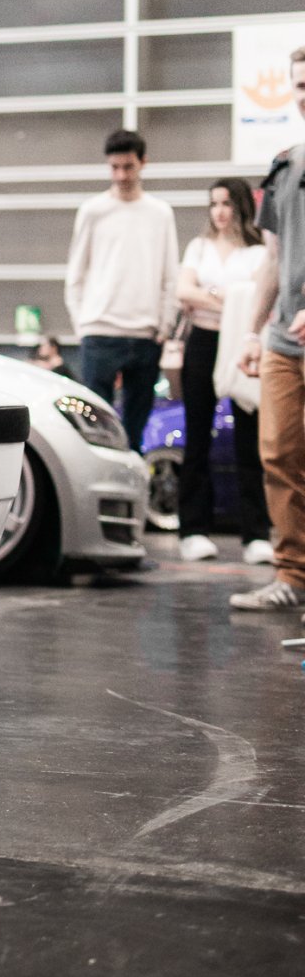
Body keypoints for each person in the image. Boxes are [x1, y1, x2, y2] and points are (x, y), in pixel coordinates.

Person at [231, 49, 305, 620]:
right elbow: (272, 259)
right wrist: (253, 332)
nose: (304, 95)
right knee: (278, 453)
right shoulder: (286, 165)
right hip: (285, 338)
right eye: (299, 85)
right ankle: (292, 576)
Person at [174, 178, 272, 564]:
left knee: (249, 439)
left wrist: (210, 296)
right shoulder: (199, 247)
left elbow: (260, 298)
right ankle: (193, 529)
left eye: (227, 203)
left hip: (241, 343)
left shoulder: (258, 252)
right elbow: (183, 291)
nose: (219, 211)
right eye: (214, 203)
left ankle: (256, 534)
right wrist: (232, 297)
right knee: (196, 436)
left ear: (242, 206)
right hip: (202, 341)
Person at [65, 128, 179, 452]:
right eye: (114, 167)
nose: (121, 175)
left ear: (143, 163)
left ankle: (134, 482)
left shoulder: (160, 213)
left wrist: (164, 325)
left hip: (145, 334)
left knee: (135, 431)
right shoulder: (93, 210)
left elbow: (170, 274)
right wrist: (83, 325)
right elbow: (76, 273)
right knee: (96, 430)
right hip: (100, 331)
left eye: (128, 167)